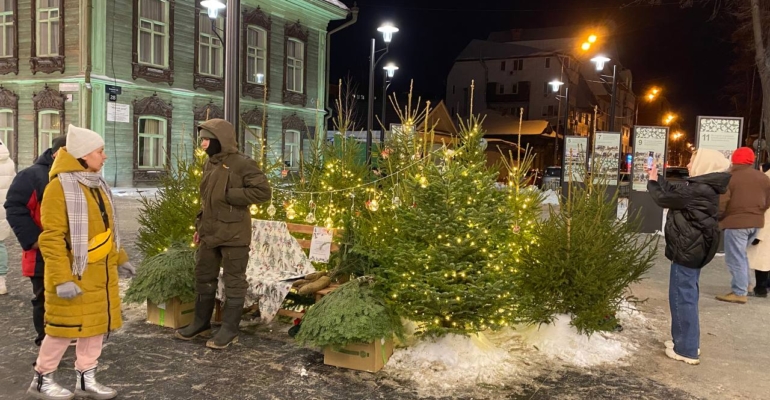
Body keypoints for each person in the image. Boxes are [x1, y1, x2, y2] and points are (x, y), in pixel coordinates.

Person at [26, 125, 135, 400]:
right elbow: (51, 238)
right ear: (84, 155)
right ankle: (42, 378)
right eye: (100, 151)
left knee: (95, 328)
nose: (104, 156)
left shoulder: (97, 186)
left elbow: (105, 231)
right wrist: (62, 278)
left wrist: (120, 258)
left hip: (100, 274)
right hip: (74, 275)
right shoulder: (58, 188)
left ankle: (86, 379)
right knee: (63, 330)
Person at [175, 118, 271, 349]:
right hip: (210, 232)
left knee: (234, 281)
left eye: (207, 140)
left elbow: (263, 192)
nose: (203, 144)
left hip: (234, 233)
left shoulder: (243, 164)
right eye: (202, 140)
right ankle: (201, 323)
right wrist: (200, 227)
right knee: (204, 276)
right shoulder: (210, 164)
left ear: (220, 140)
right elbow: (206, 199)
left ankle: (229, 329)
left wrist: (230, 195)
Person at [648, 149, 731, 365]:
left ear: (704, 164)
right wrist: (659, 178)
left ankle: (686, 348)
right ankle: (685, 341)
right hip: (692, 248)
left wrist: (652, 182)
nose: (688, 164)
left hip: (688, 250)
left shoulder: (698, 190)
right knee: (686, 294)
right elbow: (675, 193)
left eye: (693, 160)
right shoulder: (701, 187)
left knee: (681, 296)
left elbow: (664, 197)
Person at [5, 136, 66, 346]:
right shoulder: (32, 176)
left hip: (70, 254)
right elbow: (14, 207)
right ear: (60, 152)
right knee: (44, 297)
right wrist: (34, 240)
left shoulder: (79, 176)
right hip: (41, 253)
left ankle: (66, 335)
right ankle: (46, 340)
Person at [716, 147, 770, 304]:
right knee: (742, 255)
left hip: (736, 223)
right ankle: (746, 286)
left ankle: (739, 292)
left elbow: (722, 203)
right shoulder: (762, 178)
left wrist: (719, 218)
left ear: (734, 159)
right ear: (751, 160)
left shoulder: (729, 177)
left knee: (735, 257)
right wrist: (758, 212)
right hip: (756, 222)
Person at [746, 163, 770, 297]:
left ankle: (759, 287)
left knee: (758, 261)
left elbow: (766, 213)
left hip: (763, 230)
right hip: (764, 231)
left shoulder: (765, 182)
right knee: (763, 261)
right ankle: (761, 287)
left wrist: (758, 234)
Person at [0, 139, 16, 294]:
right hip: (2, 209)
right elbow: (14, 183)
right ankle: (1, 281)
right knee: (0, 244)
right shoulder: (8, 162)